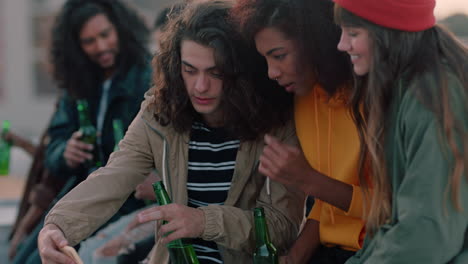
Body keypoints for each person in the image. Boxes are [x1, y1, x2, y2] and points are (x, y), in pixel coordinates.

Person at [37, 1, 305, 264]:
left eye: (215, 72)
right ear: (176, 67)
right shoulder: (159, 112)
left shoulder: (276, 122)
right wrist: (58, 226)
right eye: (190, 70)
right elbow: (113, 176)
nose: (200, 86)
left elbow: (281, 227)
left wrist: (201, 221)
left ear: (241, 71)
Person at [12, 0, 152, 263]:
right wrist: (65, 151)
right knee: (28, 259)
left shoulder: (147, 76)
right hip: (78, 192)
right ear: (76, 46)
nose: (100, 47)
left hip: (128, 198)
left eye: (105, 35)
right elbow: (53, 143)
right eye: (89, 41)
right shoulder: (77, 82)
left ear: (120, 28)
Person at [231, 0, 366, 263]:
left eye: (279, 55)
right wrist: (293, 257)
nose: (271, 72)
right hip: (328, 250)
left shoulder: (371, 96)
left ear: (316, 41)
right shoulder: (302, 97)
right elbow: (327, 205)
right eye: (265, 59)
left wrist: (307, 179)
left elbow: (396, 208)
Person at [333, 0, 468, 262]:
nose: (341, 45)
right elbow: (395, 223)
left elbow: (427, 235)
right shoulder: (404, 88)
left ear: (388, 35)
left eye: (353, 33)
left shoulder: (432, 100)